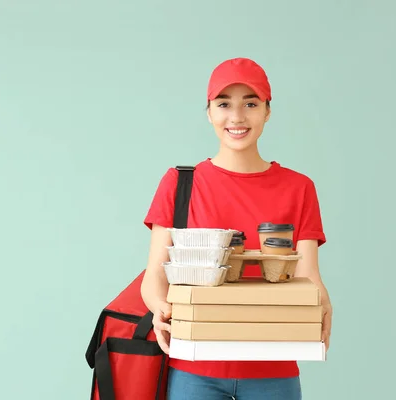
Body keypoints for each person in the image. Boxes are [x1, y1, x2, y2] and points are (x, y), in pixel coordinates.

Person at [140, 57, 332, 400]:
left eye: (251, 104)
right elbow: (155, 274)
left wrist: (319, 303)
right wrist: (160, 310)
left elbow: (307, 275)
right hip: (194, 370)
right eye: (224, 104)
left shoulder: (299, 188)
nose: (237, 117)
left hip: (274, 368)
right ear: (209, 112)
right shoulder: (180, 184)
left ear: (267, 112)